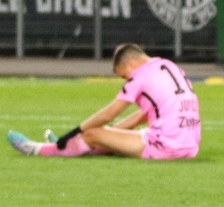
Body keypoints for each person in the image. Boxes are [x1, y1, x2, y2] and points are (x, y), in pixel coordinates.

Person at [8, 43, 201, 160]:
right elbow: (145, 115)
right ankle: (73, 148)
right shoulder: (167, 65)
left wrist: (75, 131)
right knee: (110, 138)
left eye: (123, 75)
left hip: (166, 148)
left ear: (130, 64)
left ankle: (41, 150)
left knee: (92, 134)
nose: (125, 79)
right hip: (190, 145)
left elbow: (109, 114)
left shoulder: (140, 76)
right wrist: (114, 132)